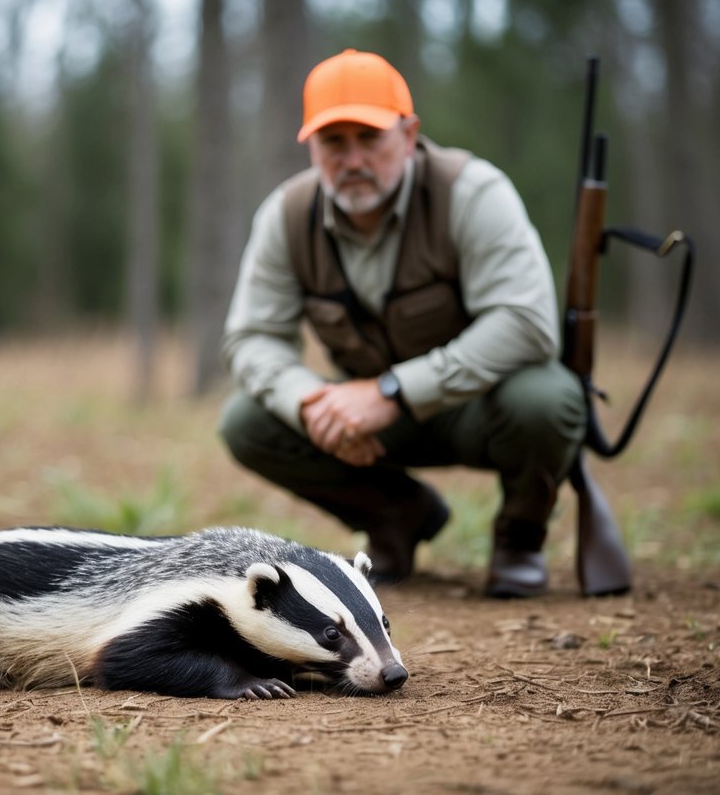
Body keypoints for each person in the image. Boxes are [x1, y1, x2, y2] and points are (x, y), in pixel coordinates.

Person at [218, 49, 586, 598]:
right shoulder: (286, 214)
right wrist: (311, 404)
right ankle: (395, 515)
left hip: (481, 407)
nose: (352, 159)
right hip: (367, 427)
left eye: (370, 138)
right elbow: (252, 338)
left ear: (409, 135)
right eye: (333, 142)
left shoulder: (473, 192)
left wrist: (393, 391)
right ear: (312, 147)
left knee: (546, 400)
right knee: (247, 422)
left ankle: (520, 536)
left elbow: (526, 322)